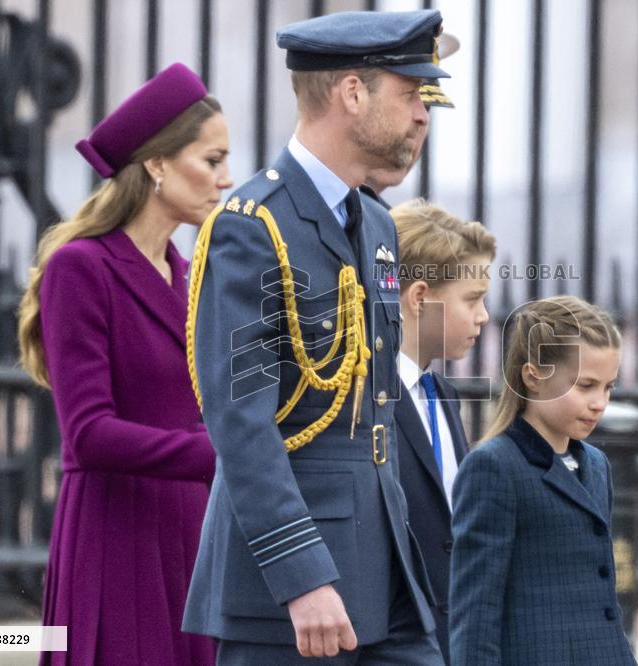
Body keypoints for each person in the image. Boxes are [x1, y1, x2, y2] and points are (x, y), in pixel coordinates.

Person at [182, 10, 450, 664]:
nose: (423, 114)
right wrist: (301, 575)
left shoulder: (377, 226)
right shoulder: (252, 227)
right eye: (410, 94)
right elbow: (241, 420)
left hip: (385, 567)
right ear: (352, 94)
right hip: (295, 587)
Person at [17, 62, 233, 664]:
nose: (226, 179)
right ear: (157, 164)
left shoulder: (190, 275)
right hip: (114, 534)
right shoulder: (80, 268)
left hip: (191, 531)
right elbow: (88, 433)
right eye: (212, 160)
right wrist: (221, 454)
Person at [449, 295, 637, 665]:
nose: (600, 402)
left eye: (608, 387)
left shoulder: (596, 465)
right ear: (533, 377)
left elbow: (602, 597)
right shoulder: (495, 466)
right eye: (585, 385)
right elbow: (476, 614)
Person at [389, 199, 495, 662]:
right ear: (419, 297)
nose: (483, 315)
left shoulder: (441, 393)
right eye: (472, 299)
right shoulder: (367, 397)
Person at [361, 33, 459, 206]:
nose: (423, 118)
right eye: (406, 98)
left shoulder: (384, 220)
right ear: (353, 96)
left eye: (427, 107)